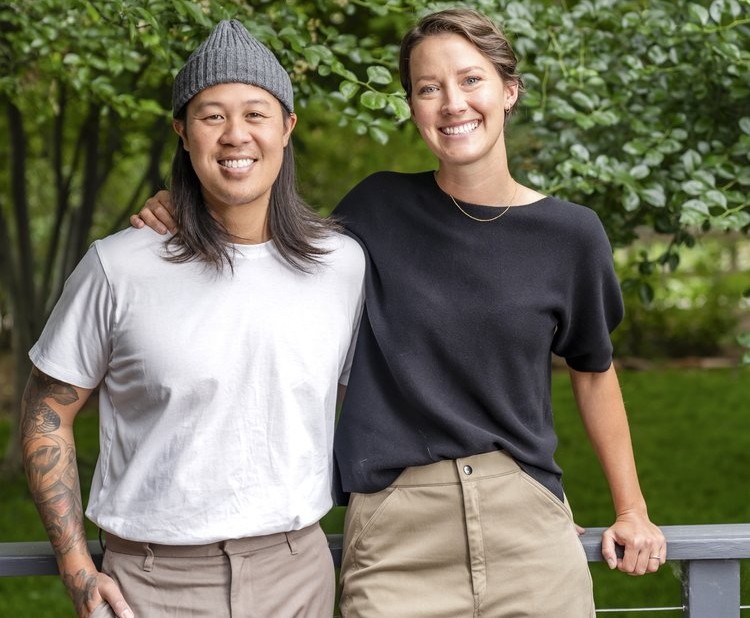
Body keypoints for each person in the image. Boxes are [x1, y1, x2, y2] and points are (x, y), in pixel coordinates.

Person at [133, 8, 666, 617]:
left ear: (508, 91)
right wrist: (185, 201)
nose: (452, 103)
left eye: (471, 80)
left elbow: (593, 371)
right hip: (395, 532)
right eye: (427, 88)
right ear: (412, 106)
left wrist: (632, 511)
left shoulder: (571, 235)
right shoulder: (376, 209)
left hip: (527, 527)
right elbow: (269, 241)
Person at [22, 19, 364, 618]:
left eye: (256, 114)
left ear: (287, 128)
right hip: (149, 584)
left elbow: (355, 409)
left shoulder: (342, 266)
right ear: (183, 132)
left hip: (298, 573)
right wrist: (77, 569)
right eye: (212, 116)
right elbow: (45, 417)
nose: (236, 135)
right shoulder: (118, 267)